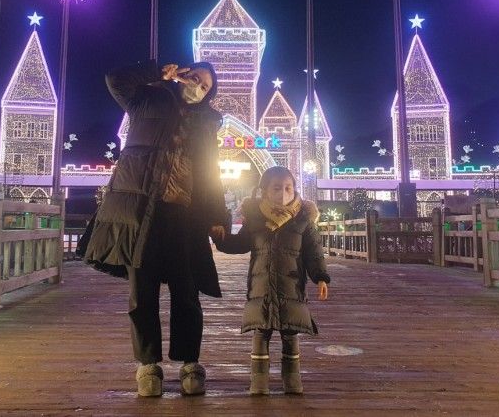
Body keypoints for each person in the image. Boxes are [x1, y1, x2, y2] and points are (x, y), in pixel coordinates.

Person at [84, 60, 230, 397]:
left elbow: (211, 173)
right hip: (141, 212)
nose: (198, 86)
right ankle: (148, 365)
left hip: (185, 217)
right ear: (181, 75)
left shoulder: (206, 124)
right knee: (142, 292)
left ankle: (190, 363)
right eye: (195, 77)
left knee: (187, 292)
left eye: (206, 86)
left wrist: (218, 216)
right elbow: (114, 76)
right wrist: (156, 73)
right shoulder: (146, 100)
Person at [212, 166, 330, 395]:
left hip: (292, 288)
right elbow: (240, 244)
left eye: (288, 188)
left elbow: (313, 253)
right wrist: (221, 238)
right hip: (261, 287)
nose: (283, 193)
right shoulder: (256, 220)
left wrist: (321, 277)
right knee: (261, 332)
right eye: (276, 188)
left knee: (290, 332)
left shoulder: (303, 220)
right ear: (264, 190)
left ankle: (292, 379)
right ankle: (258, 381)